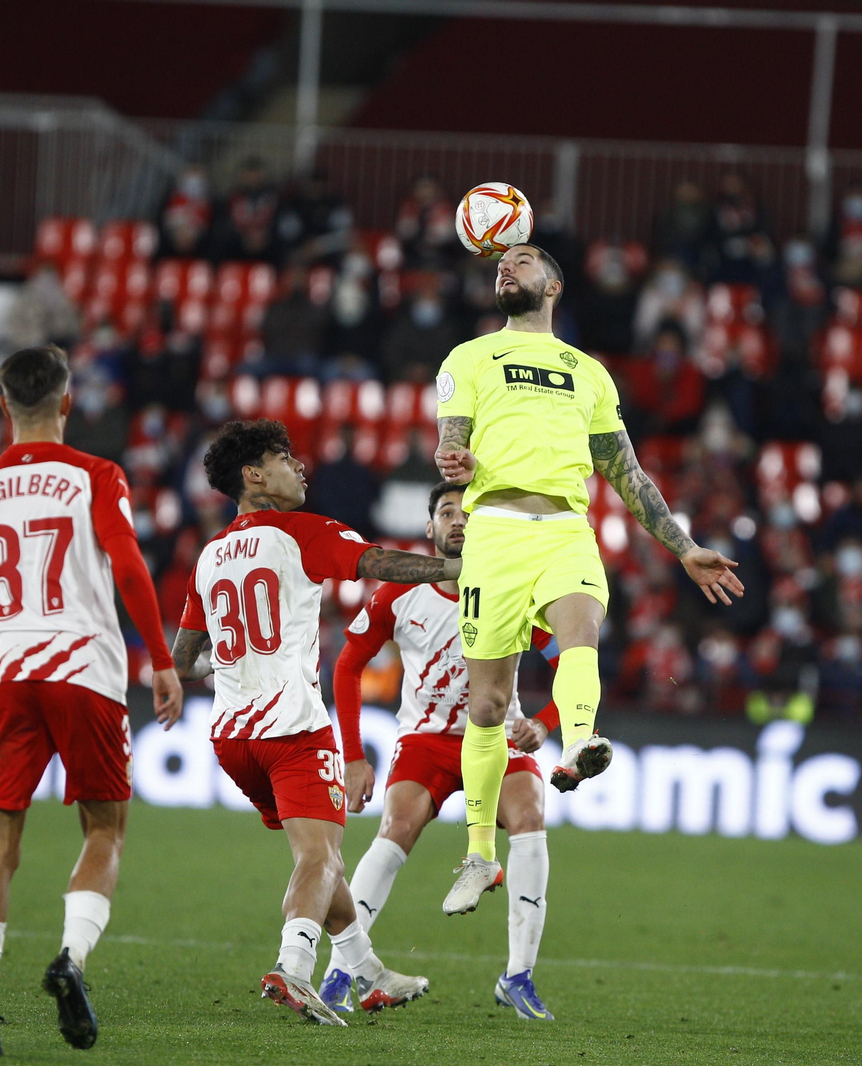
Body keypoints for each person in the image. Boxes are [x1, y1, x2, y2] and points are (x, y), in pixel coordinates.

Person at [433, 243, 745, 915]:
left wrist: (684, 547)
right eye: (501, 264)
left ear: (554, 285)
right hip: (495, 533)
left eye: (522, 260)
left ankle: (578, 742)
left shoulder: (589, 374)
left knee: (580, 631)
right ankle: (480, 854)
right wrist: (456, 461)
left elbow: (627, 474)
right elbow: (450, 443)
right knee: (487, 706)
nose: (506, 267)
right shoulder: (469, 357)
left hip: (565, 529)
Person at [0, 345, 185, 1056]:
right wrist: (161, 658)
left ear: (3, 406)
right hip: (84, 670)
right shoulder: (96, 475)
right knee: (104, 830)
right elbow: (129, 565)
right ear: (67, 403)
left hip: (4, 676)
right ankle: (70, 960)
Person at [169, 418, 459, 1026]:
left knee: (322, 857)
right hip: (294, 730)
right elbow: (378, 561)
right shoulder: (302, 531)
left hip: (231, 738)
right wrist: (455, 570)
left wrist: (234, 658)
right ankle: (294, 967)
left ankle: (369, 972)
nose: (300, 466)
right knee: (320, 859)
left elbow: (185, 662)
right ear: (254, 476)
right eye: (284, 457)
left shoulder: (210, 556)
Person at [320, 481, 562, 1020]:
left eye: (468, 512)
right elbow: (347, 665)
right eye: (447, 512)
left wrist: (545, 723)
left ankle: (518, 976)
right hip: (426, 740)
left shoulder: (513, 590)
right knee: (395, 828)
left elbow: (571, 662)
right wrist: (353, 755)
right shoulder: (398, 592)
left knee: (530, 817)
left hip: (499, 736)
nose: (458, 520)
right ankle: (342, 968)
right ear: (429, 527)